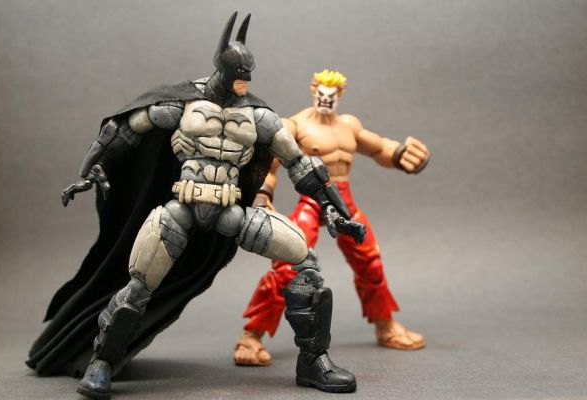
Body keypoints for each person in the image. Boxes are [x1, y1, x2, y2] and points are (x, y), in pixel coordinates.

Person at [27, 18, 364, 399]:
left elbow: (301, 165)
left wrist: (335, 210)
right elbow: (124, 130)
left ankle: (313, 362)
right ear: (222, 69)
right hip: (182, 209)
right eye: (238, 75)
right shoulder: (182, 105)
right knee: (138, 286)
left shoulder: (259, 117)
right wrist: (92, 170)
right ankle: (101, 362)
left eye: (248, 76)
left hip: (231, 214)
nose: (244, 83)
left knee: (306, 264)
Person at [234, 70, 430, 367]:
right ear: (313, 91)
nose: (325, 99)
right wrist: (262, 196)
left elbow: (379, 148)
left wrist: (402, 154)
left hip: (344, 202)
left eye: (331, 95)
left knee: (370, 261)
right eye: (321, 94)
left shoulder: (349, 125)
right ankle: (251, 336)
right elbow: (269, 165)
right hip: (311, 200)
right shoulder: (295, 125)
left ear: (339, 95)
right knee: (287, 265)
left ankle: (385, 325)